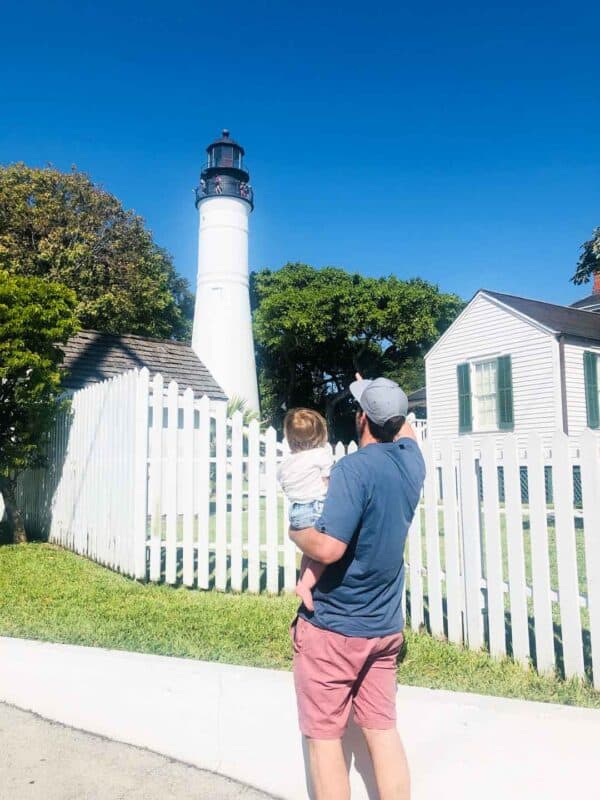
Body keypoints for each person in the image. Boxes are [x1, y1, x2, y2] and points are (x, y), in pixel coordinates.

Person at [288, 377, 425, 800]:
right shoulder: (411, 461)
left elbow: (328, 547)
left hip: (335, 629)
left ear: (361, 418)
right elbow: (406, 429)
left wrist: (297, 532)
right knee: (382, 730)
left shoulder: (353, 470)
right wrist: (372, 389)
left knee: (324, 738)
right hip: (384, 629)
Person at [277, 408, 334, 611]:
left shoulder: (286, 463)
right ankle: (306, 585)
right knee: (323, 553)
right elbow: (329, 482)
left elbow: (284, 484)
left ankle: (303, 581)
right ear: (320, 434)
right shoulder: (321, 455)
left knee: (308, 551)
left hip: (296, 511)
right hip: (316, 507)